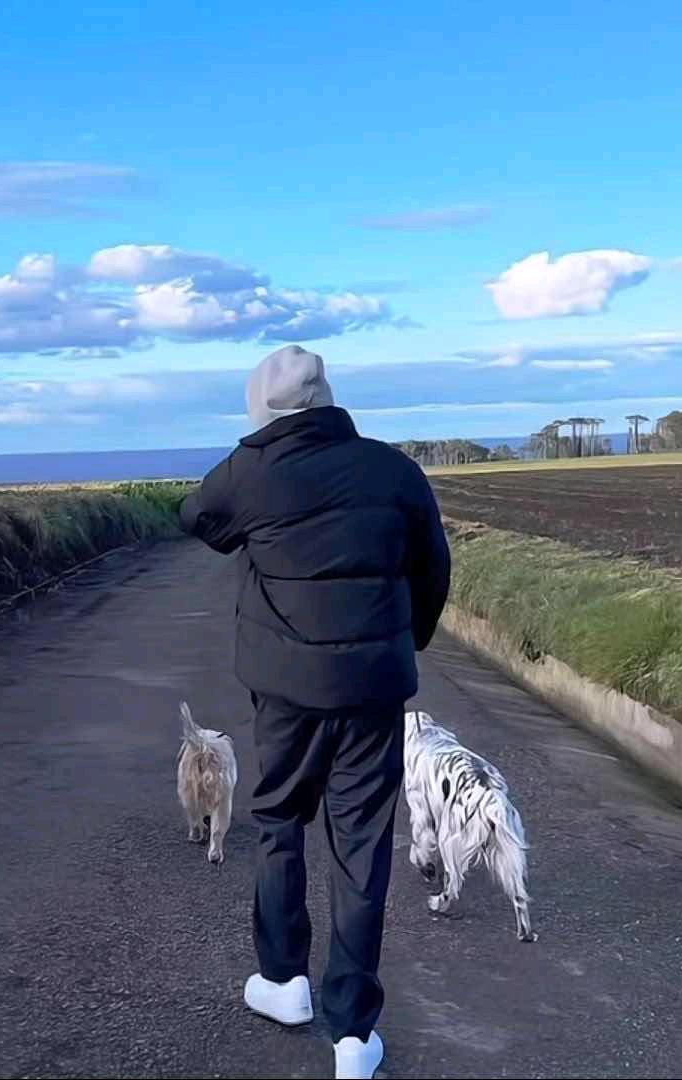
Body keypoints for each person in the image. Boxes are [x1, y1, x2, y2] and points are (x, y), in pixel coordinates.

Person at [179, 344, 451, 1079]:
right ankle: (356, 1038)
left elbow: (197, 516)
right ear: (329, 400)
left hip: (287, 689)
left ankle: (282, 983)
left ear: (263, 410)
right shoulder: (394, 469)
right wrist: (398, 644)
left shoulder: (251, 470)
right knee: (362, 847)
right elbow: (433, 569)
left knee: (279, 822)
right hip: (373, 688)